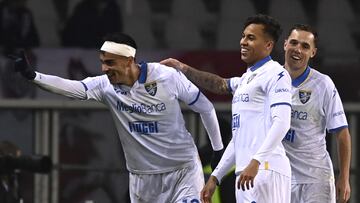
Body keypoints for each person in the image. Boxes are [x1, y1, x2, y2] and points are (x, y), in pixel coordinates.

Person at [9, 33, 224, 203]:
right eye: (103, 62)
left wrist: (217, 150)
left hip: (183, 171)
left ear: (128, 60)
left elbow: (205, 107)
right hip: (142, 179)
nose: (104, 68)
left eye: (110, 62)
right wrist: (33, 76)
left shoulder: (166, 76)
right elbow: (72, 87)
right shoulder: (105, 87)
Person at [161, 14, 292, 203]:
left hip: (267, 170)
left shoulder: (277, 74)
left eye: (251, 38)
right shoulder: (247, 78)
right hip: (246, 173)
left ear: (268, 45)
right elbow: (221, 87)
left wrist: (256, 162)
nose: (243, 42)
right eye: (243, 36)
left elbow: (282, 123)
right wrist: (215, 177)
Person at [282, 24, 351, 203]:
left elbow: (342, 133)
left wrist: (344, 177)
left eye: (305, 46)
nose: (298, 49)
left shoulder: (323, 84)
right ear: (285, 45)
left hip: (316, 178)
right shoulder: (270, 80)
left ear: (313, 52)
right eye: (294, 43)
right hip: (281, 175)